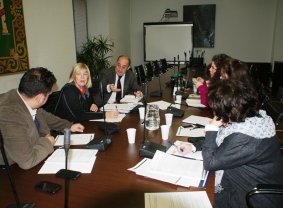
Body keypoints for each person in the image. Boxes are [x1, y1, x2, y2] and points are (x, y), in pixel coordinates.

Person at [203, 80, 283, 208]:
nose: (216, 114)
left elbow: (210, 163)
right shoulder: (253, 121)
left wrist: (211, 128)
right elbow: (223, 143)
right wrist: (194, 146)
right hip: (240, 183)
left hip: (252, 198)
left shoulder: (244, 137)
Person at [0, 67, 84, 170]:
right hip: (13, 171)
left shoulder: (24, 96)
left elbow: (42, 114)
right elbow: (27, 162)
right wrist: (48, 142)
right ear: (40, 97)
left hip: (36, 155)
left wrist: (68, 126)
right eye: (49, 95)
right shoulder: (10, 114)